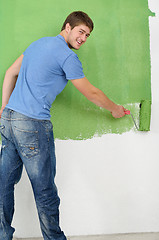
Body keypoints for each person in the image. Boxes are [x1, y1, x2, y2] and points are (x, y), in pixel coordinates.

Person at [0, 11, 126, 240]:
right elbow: (91, 93)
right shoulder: (67, 57)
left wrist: (4, 109)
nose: (83, 38)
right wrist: (115, 108)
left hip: (9, 121)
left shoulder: (38, 44)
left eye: (87, 35)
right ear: (67, 27)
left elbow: (10, 72)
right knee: (45, 191)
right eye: (80, 32)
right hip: (32, 124)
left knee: (4, 184)